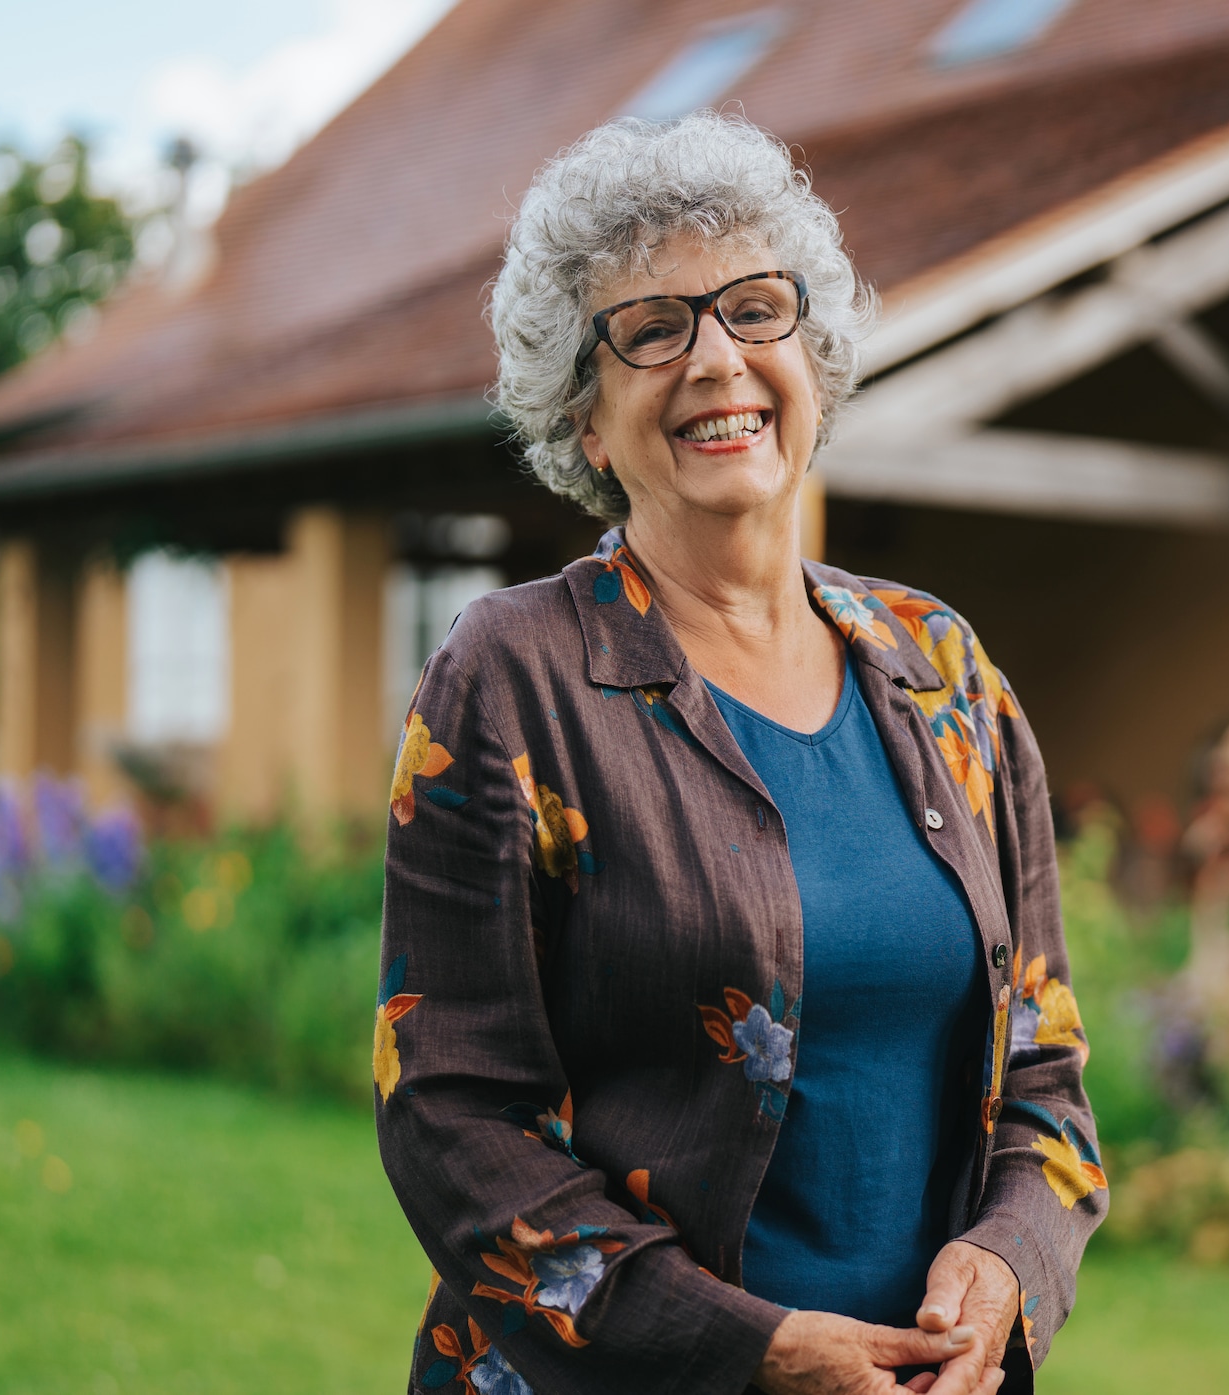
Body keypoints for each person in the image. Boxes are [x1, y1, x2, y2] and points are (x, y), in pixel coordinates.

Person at [374, 110, 1103, 1395]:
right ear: (585, 421)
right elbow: (453, 1119)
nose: (717, 359)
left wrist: (1005, 1271)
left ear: (809, 364)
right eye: (652, 330)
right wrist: (741, 1349)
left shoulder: (943, 669)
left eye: (755, 310)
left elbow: (1042, 1066)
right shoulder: (511, 679)